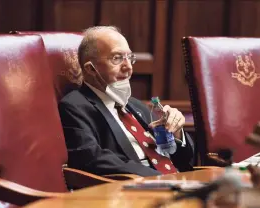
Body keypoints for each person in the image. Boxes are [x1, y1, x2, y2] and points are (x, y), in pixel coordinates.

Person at [58, 26, 194, 177]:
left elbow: (184, 160)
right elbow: (92, 160)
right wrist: (159, 179)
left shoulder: (136, 106)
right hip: (134, 191)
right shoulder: (75, 106)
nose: (128, 67)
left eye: (130, 58)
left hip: (179, 183)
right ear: (90, 69)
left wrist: (176, 132)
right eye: (117, 58)